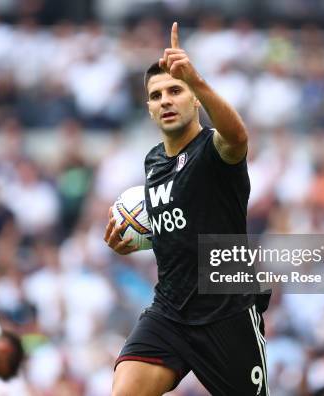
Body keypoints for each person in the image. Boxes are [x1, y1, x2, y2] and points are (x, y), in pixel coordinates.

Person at [105, 22, 270, 395]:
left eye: (175, 90)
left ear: (194, 98)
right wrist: (132, 242)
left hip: (226, 313)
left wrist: (195, 78)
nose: (165, 100)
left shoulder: (214, 150)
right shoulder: (153, 163)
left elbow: (238, 136)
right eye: (156, 94)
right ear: (148, 108)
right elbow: (174, 228)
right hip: (170, 312)